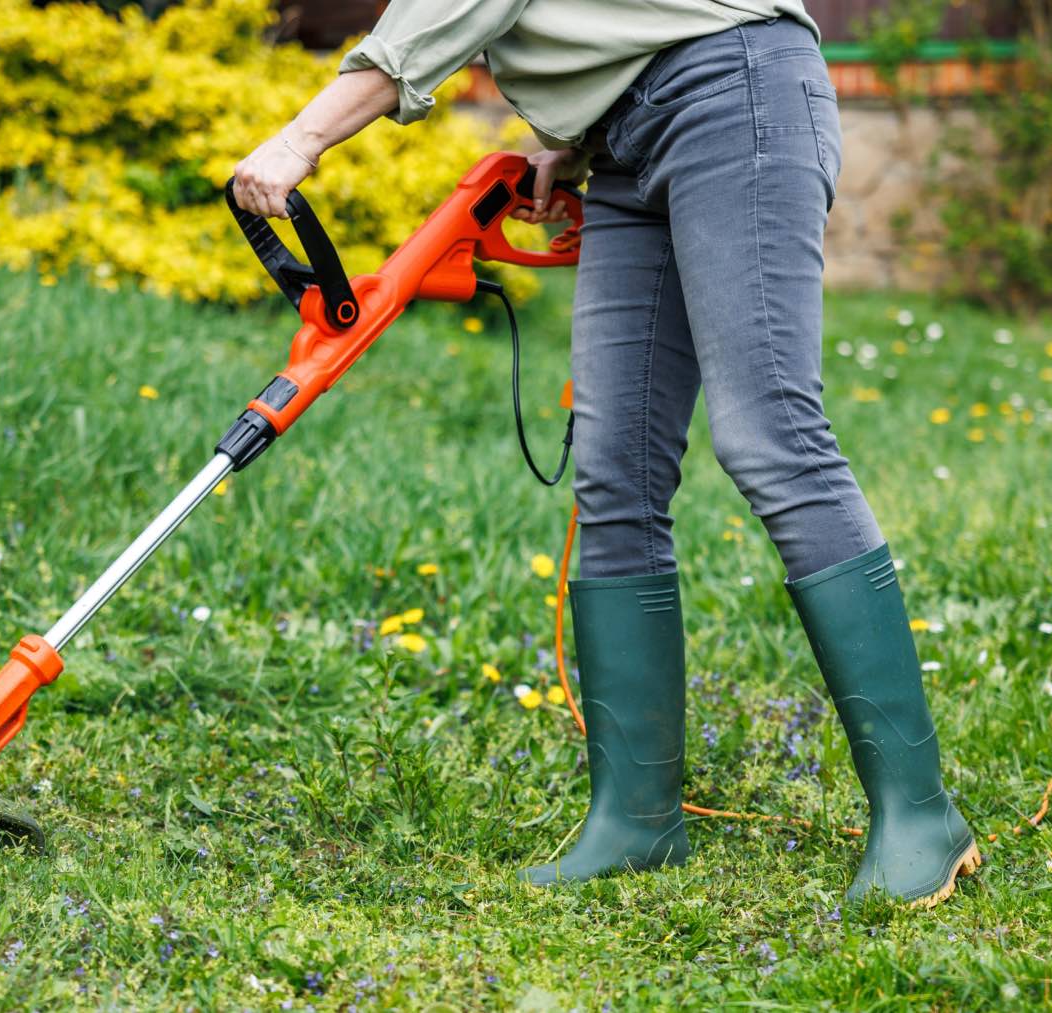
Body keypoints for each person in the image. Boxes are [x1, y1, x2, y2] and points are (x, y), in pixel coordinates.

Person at [231, 0, 979, 908]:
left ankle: (920, 814)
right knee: (613, 467)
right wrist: (579, 142)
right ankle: (636, 818)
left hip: (731, 94)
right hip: (627, 141)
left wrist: (302, 138)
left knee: (770, 435)